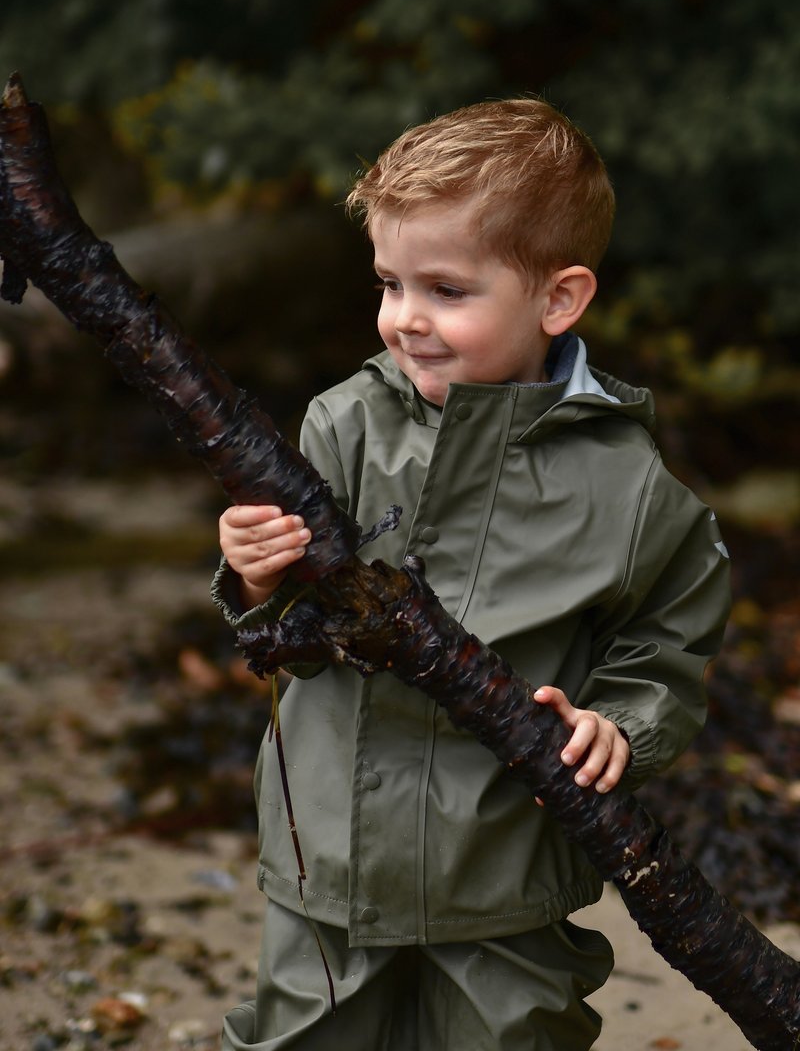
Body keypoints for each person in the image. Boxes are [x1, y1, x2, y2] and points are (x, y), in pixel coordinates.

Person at [212, 98, 731, 1050]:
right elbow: (292, 634)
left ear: (559, 299)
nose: (405, 319)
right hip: (327, 844)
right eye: (388, 282)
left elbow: (672, 636)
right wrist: (252, 578)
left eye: (446, 291)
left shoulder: (625, 482)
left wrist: (621, 726)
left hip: (504, 868)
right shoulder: (344, 425)